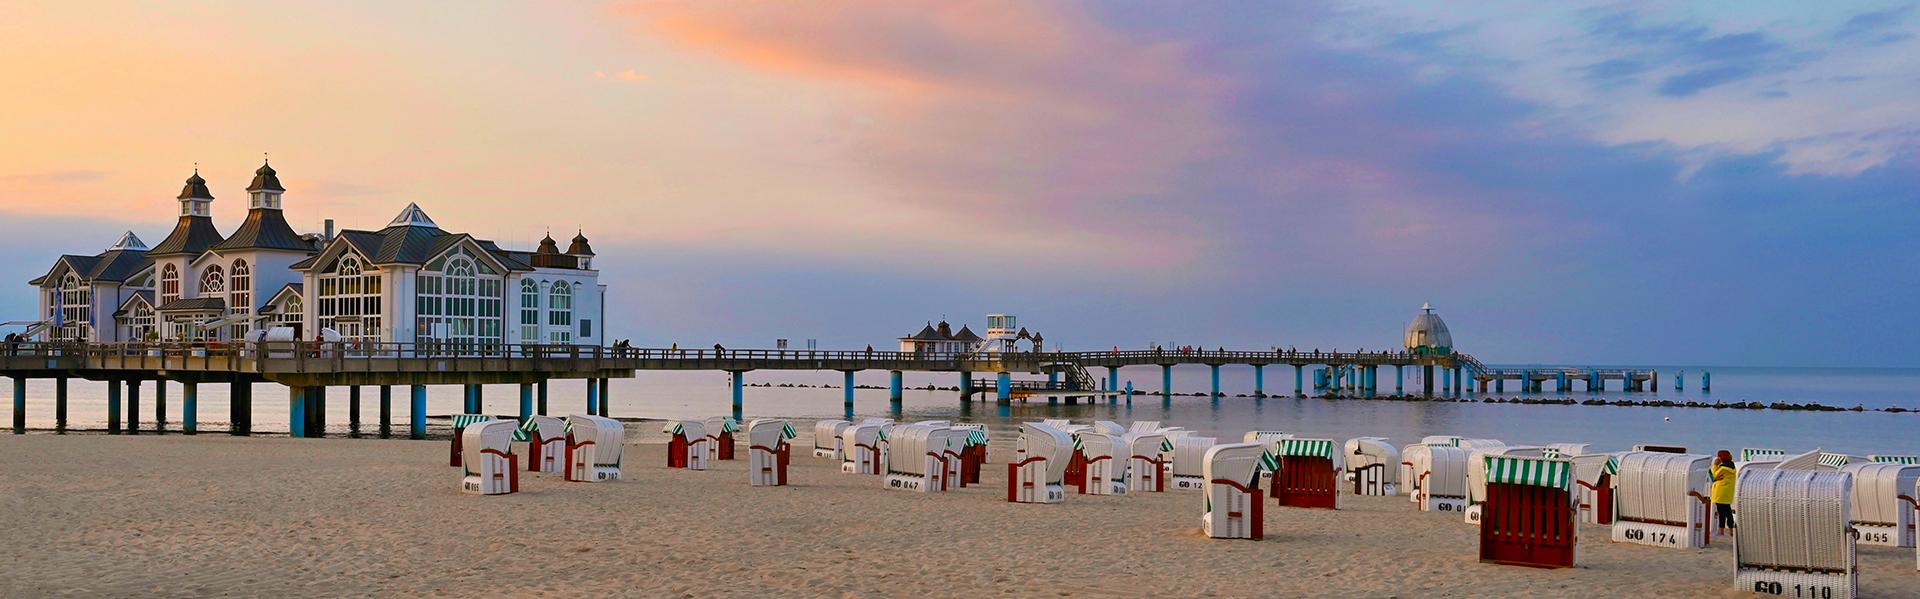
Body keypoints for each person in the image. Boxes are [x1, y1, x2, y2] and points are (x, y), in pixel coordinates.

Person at [1711, 449, 1737, 536]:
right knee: (1728, 512)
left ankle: (1721, 530)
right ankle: (1731, 530)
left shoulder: (1722, 468)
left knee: (1722, 513)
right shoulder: (1732, 466)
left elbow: (1713, 475)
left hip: (1720, 492)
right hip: (1727, 493)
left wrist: (1715, 465)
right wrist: (1715, 478)